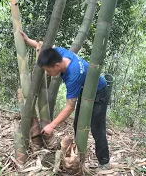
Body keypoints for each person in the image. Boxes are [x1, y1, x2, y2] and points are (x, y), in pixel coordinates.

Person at [20, 31, 111, 168]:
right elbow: (43, 46)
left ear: (56, 66)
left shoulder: (72, 75)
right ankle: (77, 158)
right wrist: (28, 40)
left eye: (48, 70)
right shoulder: (58, 53)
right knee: (78, 125)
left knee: (97, 128)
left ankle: (105, 162)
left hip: (99, 92)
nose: (47, 73)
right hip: (86, 91)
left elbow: (69, 107)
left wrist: (51, 125)